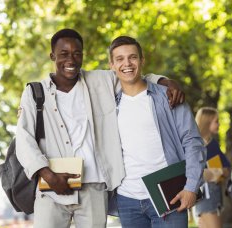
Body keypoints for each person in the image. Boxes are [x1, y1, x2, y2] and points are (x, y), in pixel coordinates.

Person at [15, 28, 184, 228]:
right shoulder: (35, 92)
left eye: (77, 54)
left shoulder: (101, 81)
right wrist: (48, 175)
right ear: (52, 56)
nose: (71, 60)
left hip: (94, 188)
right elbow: (24, 139)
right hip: (50, 188)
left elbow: (135, 77)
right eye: (63, 54)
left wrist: (167, 82)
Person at [109, 35, 206, 228]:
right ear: (111, 65)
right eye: (119, 59)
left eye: (133, 57)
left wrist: (191, 187)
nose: (127, 63)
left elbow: (192, 141)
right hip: (128, 199)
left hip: (169, 196)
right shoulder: (110, 104)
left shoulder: (168, 96)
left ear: (142, 61)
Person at [194, 107, 231, 228]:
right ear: (207, 122)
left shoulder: (213, 144)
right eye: (216, 121)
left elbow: (226, 171)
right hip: (205, 198)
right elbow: (194, 173)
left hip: (216, 197)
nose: (219, 124)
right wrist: (215, 173)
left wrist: (212, 173)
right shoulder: (194, 145)